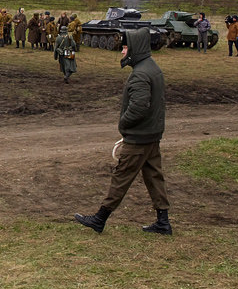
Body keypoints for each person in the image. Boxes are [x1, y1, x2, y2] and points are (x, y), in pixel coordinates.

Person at [74, 28, 172, 236]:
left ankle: (100, 218)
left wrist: (124, 125)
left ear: (135, 49)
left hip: (139, 138)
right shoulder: (152, 68)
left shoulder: (140, 75)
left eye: (125, 47)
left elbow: (138, 106)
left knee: (121, 176)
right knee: (154, 176)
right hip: (151, 135)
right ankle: (163, 222)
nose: (122, 52)